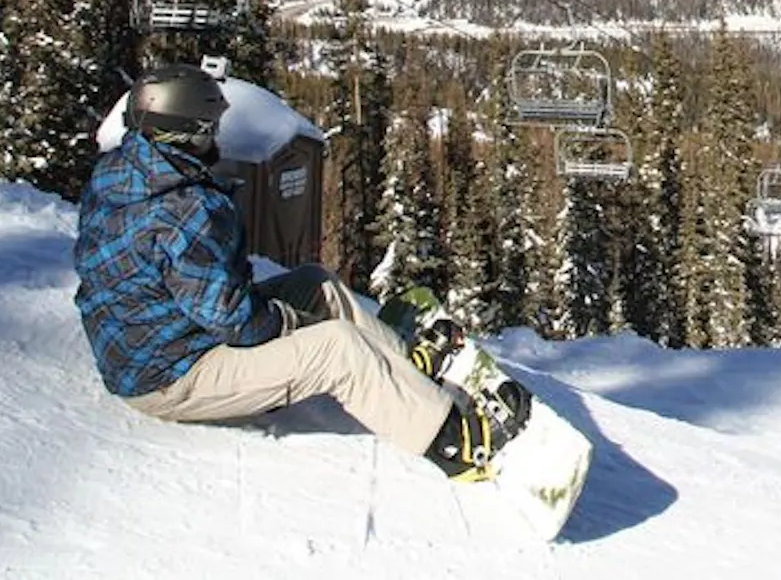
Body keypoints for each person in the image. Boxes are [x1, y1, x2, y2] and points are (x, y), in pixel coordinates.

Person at [72, 62, 524, 482]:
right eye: (210, 129)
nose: (217, 140)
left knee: (315, 284)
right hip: (171, 376)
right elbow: (234, 321)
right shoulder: (183, 210)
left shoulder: (124, 174)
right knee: (337, 350)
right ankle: (458, 446)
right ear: (187, 133)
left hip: (158, 341)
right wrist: (290, 325)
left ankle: (401, 366)